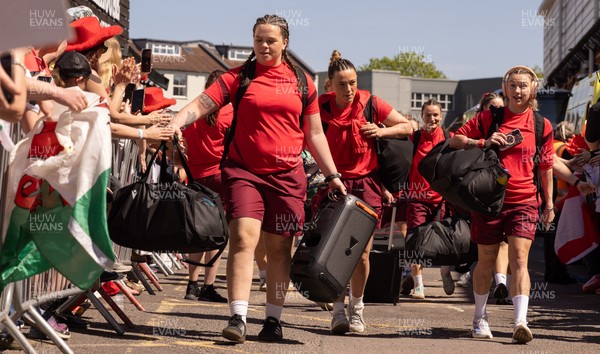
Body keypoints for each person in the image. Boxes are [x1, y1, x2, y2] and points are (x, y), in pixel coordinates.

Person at [169, 14, 345, 343]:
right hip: (243, 171)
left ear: (285, 43)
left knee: (279, 250)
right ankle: (238, 316)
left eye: (271, 40)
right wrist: (175, 122)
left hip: (287, 176)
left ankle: (273, 321)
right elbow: (202, 103)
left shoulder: (303, 81)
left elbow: (315, 134)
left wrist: (332, 173)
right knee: (243, 239)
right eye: (259, 39)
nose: (264, 45)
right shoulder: (239, 78)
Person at [449, 66, 555, 343]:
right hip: (490, 201)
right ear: (504, 88)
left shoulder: (542, 125)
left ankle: (520, 321)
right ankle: (480, 318)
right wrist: (482, 141)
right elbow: (455, 139)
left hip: (525, 201)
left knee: (520, 259)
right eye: (513, 85)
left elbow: (546, 167)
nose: (518, 91)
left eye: (523, 86)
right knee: (486, 260)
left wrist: (550, 204)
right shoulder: (488, 117)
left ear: (533, 89)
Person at [318, 50, 411, 334]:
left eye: (353, 83)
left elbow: (409, 126)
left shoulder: (370, 102)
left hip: (366, 185)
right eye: (342, 84)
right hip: (334, 184)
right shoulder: (321, 108)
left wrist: (381, 132)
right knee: (333, 252)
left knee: (361, 254)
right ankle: (337, 311)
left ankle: (356, 308)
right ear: (330, 85)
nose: (349, 89)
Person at [181, 70, 229, 303]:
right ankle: (208, 286)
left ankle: (192, 284)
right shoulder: (229, 111)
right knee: (216, 234)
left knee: (198, 233)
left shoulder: (193, 110)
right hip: (220, 176)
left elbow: (182, 144)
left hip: (195, 177)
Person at [402, 99, 454, 300]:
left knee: (442, 243)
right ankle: (419, 285)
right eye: (427, 115)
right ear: (421, 116)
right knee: (416, 242)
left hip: (441, 199)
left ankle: (445, 272)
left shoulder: (449, 138)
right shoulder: (414, 138)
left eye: (435, 115)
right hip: (417, 199)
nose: (431, 119)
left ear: (441, 116)